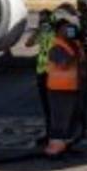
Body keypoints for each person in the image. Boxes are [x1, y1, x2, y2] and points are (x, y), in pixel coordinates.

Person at [43, 17, 86, 157]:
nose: (69, 31)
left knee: (72, 119)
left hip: (74, 88)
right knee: (60, 120)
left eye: (70, 28)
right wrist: (77, 53)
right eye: (66, 29)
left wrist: (86, 47)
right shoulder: (56, 47)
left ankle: (66, 146)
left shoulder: (74, 44)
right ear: (58, 31)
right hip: (59, 90)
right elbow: (64, 64)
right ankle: (53, 150)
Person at [24, 9, 57, 145]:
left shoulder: (56, 32)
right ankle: (50, 134)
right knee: (48, 108)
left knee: (54, 107)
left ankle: (55, 134)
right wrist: (37, 30)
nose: (41, 21)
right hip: (42, 73)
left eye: (43, 18)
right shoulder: (43, 31)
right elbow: (28, 44)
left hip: (53, 74)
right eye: (39, 19)